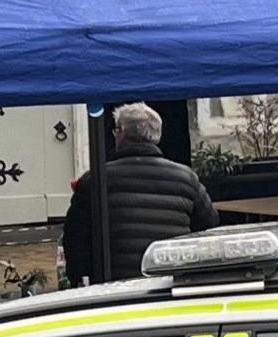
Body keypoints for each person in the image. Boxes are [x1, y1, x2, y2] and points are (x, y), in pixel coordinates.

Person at [61, 102, 219, 284]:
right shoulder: (187, 178)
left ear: (122, 133)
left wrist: (81, 282)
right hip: (170, 281)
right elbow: (208, 229)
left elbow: (75, 241)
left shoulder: (95, 180)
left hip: (113, 287)